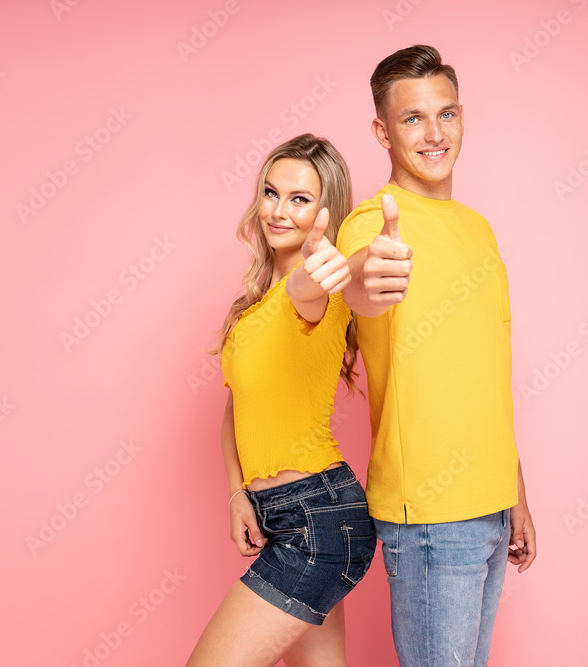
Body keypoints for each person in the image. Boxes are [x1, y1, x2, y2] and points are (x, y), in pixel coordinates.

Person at [335, 45, 538, 666]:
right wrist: (366, 276)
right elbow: (361, 289)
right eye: (412, 118)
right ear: (382, 130)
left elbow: (482, 373)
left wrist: (516, 493)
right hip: (427, 511)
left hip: (490, 504)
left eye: (446, 114)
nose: (433, 134)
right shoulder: (371, 226)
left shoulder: (479, 229)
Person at [188, 134, 375, 667]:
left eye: (300, 199)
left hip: (318, 518)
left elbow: (311, 292)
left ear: (325, 212)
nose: (278, 210)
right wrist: (236, 493)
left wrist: (330, 267)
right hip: (287, 515)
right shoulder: (254, 307)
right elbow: (237, 405)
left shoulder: (315, 289)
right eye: (272, 193)